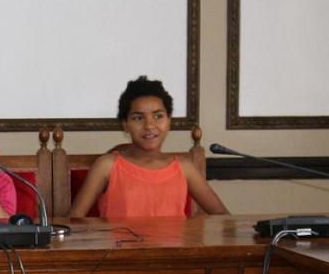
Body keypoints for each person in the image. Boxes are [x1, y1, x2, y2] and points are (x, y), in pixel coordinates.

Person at [69, 76, 228, 218]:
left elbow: (222, 216)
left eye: (158, 116)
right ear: (125, 125)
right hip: (121, 250)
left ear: (169, 121)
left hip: (173, 251)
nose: (149, 125)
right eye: (138, 118)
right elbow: (74, 220)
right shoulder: (107, 166)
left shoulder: (184, 168)